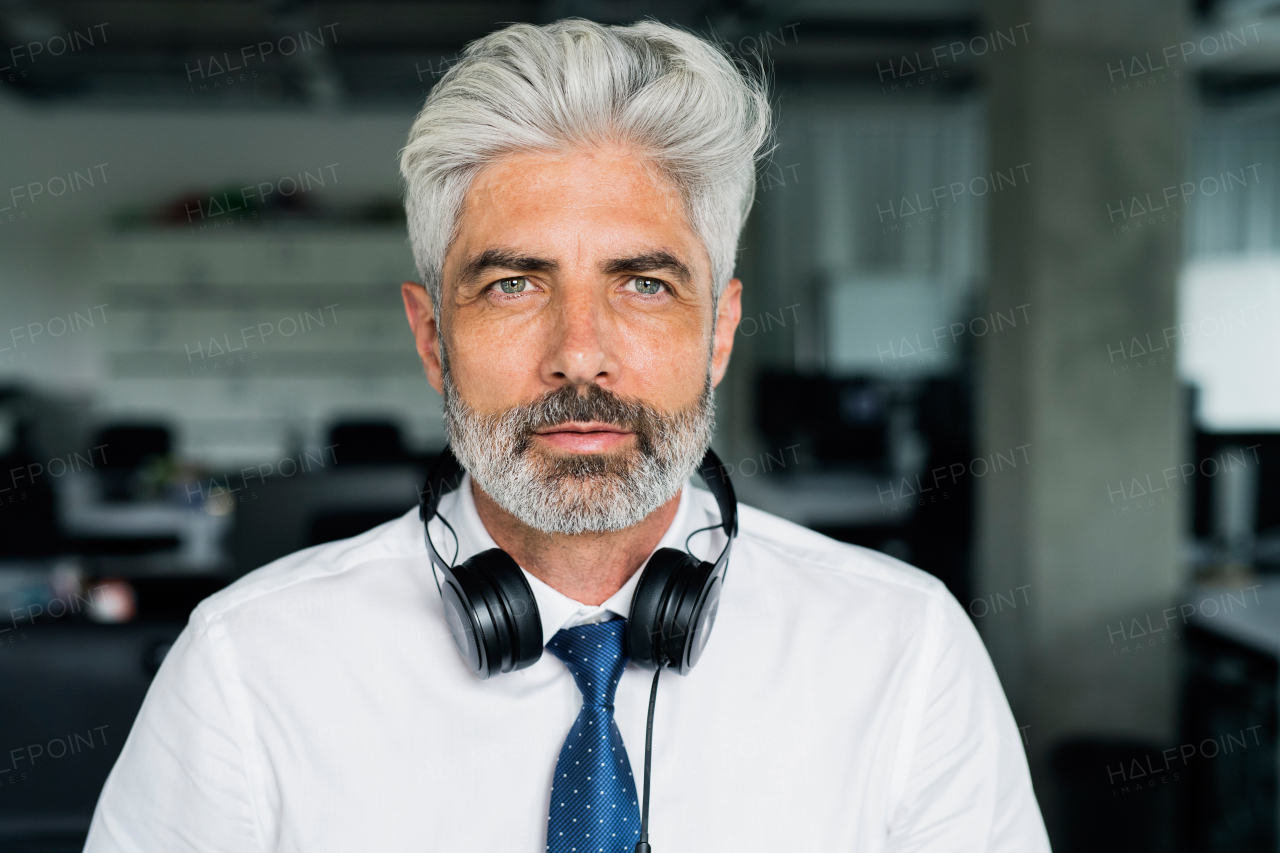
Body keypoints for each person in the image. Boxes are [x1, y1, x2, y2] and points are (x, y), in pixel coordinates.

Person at [84, 18, 1049, 852]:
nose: (579, 356)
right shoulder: (246, 667)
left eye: (643, 283)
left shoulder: (906, 651)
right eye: (514, 284)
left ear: (718, 334)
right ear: (433, 338)